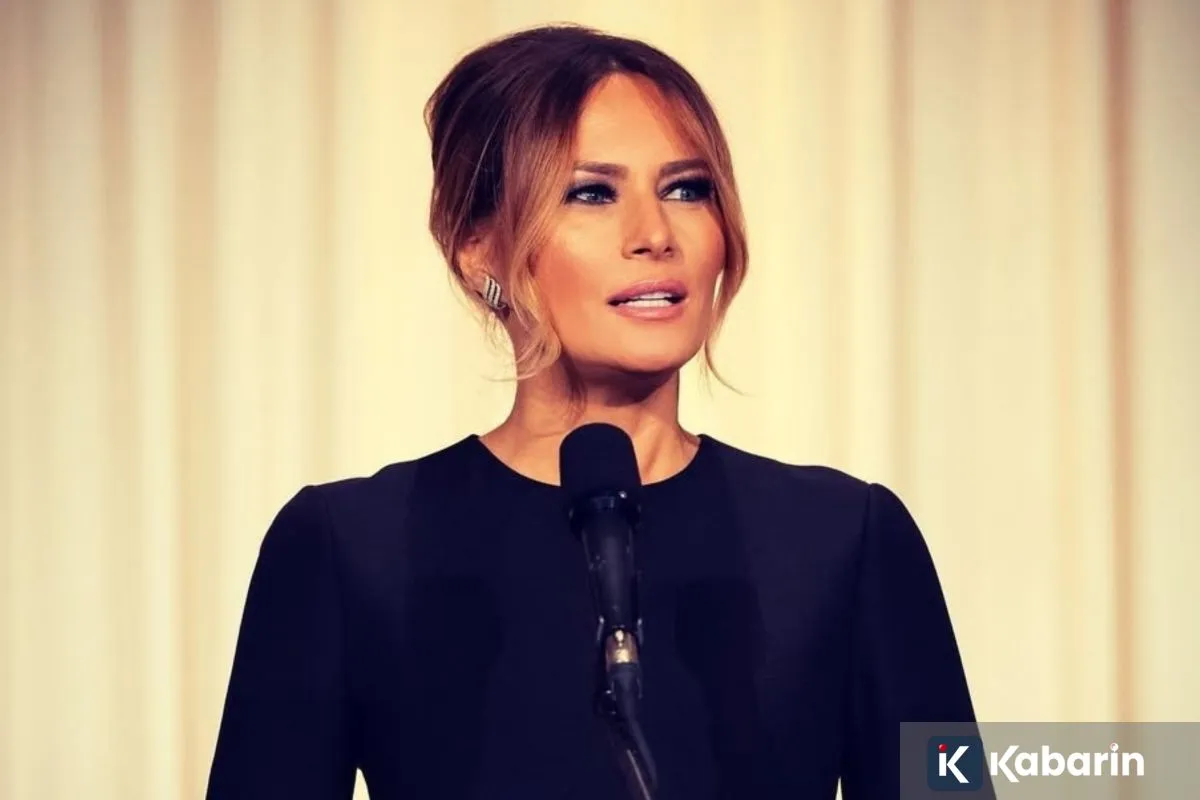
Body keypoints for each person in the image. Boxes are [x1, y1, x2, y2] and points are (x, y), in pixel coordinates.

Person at [206, 23, 981, 800]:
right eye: (592, 193)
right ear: (479, 249)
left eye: (687, 189)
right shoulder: (348, 549)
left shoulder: (848, 539)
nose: (654, 234)